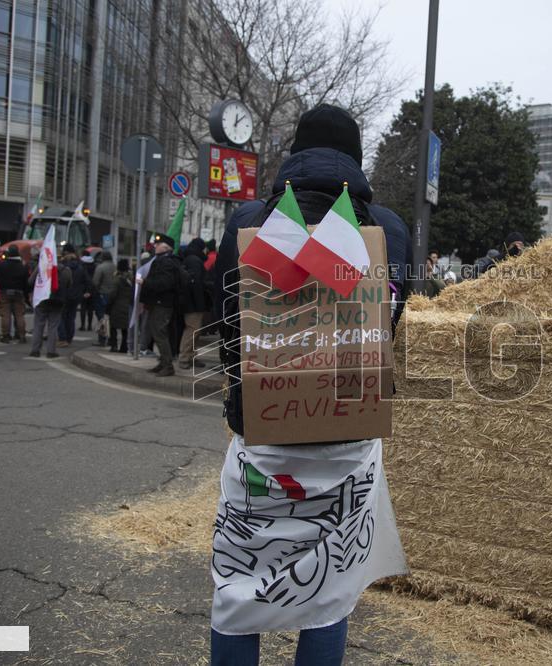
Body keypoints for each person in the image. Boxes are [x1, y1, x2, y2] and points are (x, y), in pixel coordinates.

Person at [209, 103, 409, 666]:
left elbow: (225, 315)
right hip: (348, 434)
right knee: (329, 592)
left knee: (240, 584)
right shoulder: (388, 228)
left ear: (295, 150)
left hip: (264, 430)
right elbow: (392, 320)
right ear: (358, 158)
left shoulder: (249, 220)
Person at [138, 233, 180, 376]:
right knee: (157, 333)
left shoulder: (166, 262)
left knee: (160, 333)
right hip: (158, 303)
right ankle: (163, 363)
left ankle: (167, 366)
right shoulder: (161, 260)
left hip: (162, 304)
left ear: (166, 248)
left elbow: (165, 283)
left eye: (158, 244)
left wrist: (145, 282)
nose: (155, 246)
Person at [29, 259, 72, 359]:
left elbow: (30, 281)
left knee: (38, 325)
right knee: (53, 326)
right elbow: (69, 284)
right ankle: (51, 351)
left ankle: (35, 350)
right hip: (57, 300)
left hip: (42, 299)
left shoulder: (41, 267)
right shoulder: (66, 270)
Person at [178, 239, 209, 370]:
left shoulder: (189, 259)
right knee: (192, 330)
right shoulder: (195, 261)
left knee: (194, 330)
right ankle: (185, 358)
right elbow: (197, 284)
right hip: (194, 303)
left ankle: (191, 356)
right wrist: (200, 303)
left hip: (189, 302)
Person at [0, 245, 29, 343]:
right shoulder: (22, 266)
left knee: (5, 314)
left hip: (5, 291)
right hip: (19, 292)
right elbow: (26, 282)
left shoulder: (3, 265)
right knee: (19, 315)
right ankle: (21, 335)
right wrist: (26, 294)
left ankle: (6, 335)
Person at [57, 251, 89, 347]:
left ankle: (62, 338)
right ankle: (69, 337)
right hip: (76, 296)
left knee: (61, 317)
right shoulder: (81, 268)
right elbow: (87, 281)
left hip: (64, 295)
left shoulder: (64, 269)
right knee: (71, 317)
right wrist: (84, 291)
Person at [107, 259, 133, 353]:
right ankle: (124, 347)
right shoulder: (131, 279)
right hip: (128, 305)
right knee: (125, 328)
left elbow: (112, 294)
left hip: (116, 306)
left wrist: (108, 305)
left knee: (113, 326)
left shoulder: (117, 280)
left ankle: (114, 345)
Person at [92, 251, 116, 345]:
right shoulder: (115, 267)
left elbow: (95, 282)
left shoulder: (100, 267)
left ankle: (102, 339)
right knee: (111, 317)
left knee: (101, 317)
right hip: (113, 295)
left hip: (102, 293)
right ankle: (111, 339)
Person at [78, 251, 96, 331]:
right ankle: (89, 325)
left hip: (83, 288)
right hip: (92, 288)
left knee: (83, 307)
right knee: (90, 308)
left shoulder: (81, 265)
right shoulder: (94, 265)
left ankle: (82, 325)